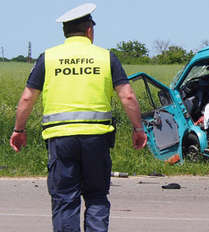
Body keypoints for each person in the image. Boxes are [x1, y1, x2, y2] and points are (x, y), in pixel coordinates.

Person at [9, 3, 147, 232]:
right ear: (89, 30)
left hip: (61, 140)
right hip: (97, 140)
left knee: (65, 199)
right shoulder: (105, 57)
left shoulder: (49, 58)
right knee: (96, 196)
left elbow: (26, 99)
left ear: (65, 31)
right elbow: (128, 97)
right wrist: (138, 129)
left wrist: (19, 130)